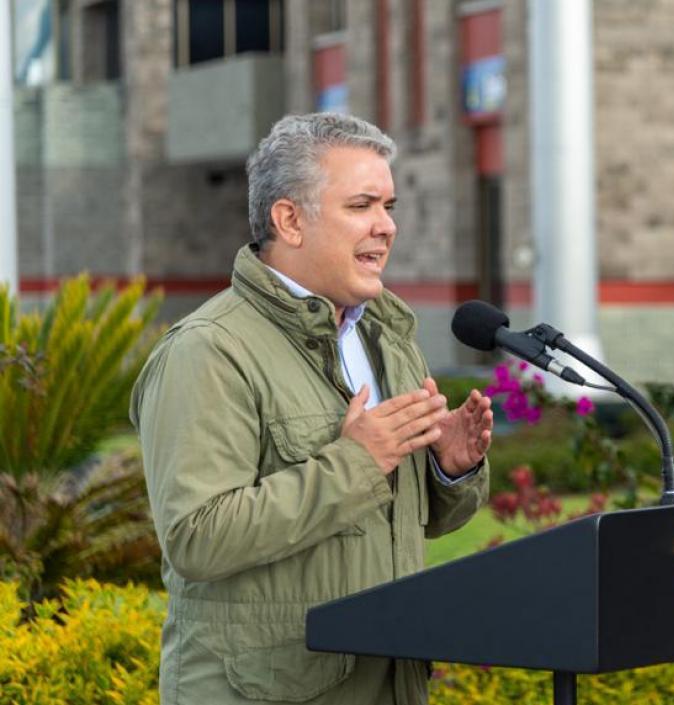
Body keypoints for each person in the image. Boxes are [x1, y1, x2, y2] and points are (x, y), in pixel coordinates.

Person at [130, 113, 492, 705]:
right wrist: (357, 463)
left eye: (388, 206)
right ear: (290, 220)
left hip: (392, 684)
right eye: (361, 206)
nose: (386, 226)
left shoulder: (387, 337)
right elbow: (196, 538)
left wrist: (447, 471)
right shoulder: (209, 350)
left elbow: (401, 525)